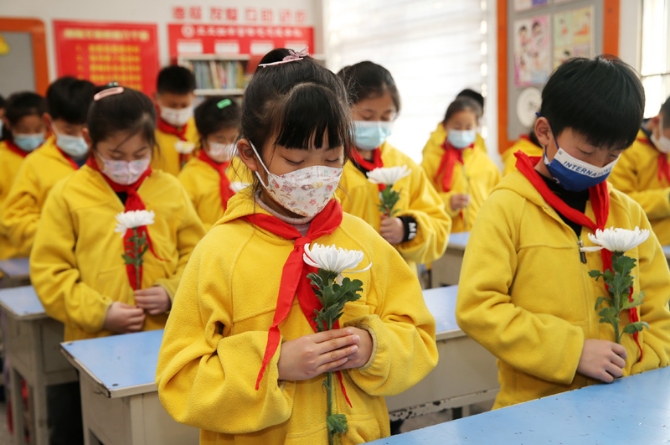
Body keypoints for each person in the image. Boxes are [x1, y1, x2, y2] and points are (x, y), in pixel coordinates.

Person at [156, 49, 438, 445]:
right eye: (294, 160)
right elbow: (180, 381)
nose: (315, 177)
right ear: (250, 155)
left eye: (332, 158)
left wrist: (373, 347)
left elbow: (419, 336)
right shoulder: (219, 253)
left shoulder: (362, 240)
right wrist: (273, 364)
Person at [456, 56, 670, 410]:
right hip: (533, 409)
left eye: (612, 155)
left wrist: (634, 365)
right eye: (586, 151)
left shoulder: (628, 214)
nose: (597, 166)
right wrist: (572, 351)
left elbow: (659, 313)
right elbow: (478, 307)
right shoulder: (506, 208)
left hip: (622, 403)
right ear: (544, 132)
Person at [335, 61, 451, 275]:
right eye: (367, 116)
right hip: (345, 285)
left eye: (386, 117)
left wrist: (408, 228)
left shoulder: (405, 167)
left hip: (399, 286)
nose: (377, 124)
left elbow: (440, 225)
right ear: (339, 109)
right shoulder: (326, 166)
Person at [1, 77, 95, 255]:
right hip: (54, 257)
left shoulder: (109, 159)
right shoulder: (35, 163)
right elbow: (15, 219)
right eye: (68, 130)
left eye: (85, 129)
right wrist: (63, 237)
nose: (79, 137)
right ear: (48, 121)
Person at [421, 97, 500, 233]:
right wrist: (447, 202)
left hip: (481, 235)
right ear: (445, 125)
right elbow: (421, 200)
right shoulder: (431, 160)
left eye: (468, 127)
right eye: (457, 127)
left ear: (477, 127)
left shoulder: (486, 163)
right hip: (444, 236)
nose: (463, 132)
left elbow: (498, 202)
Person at [178, 97, 247, 230]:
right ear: (202, 136)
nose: (227, 145)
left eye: (233, 139)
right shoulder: (189, 177)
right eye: (220, 139)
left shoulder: (243, 167)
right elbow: (187, 223)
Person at [609, 96, 670, 245]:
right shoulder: (624, 149)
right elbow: (619, 202)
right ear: (657, 121)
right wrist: (666, 199)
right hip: (647, 242)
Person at [0, 91, 47, 260]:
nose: (32, 135)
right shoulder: (3, 158)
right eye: (24, 130)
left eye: (38, 129)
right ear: (8, 124)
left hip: (49, 250)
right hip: (9, 256)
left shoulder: (52, 157)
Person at [153, 65, 198, 175]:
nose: (178, 110)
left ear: (194, 97)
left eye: (184, 105)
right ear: (157, 98)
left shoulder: (201, 128)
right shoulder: (148, 131)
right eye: (172, 105)